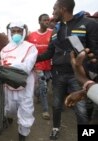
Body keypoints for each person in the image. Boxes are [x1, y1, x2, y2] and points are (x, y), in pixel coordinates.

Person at [37, 0, 98, 140]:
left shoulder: (89, 24)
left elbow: (95, 53)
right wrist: (31, 59)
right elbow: (49, 53)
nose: (52, 13)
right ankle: (55, 128)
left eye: (54, 9)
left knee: (81, 110)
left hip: (78, 77)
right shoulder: (56, 29)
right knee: (57, 105)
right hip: (57, 74)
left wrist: (86, 65)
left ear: (63, 9)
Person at [0, 21, 38, 141]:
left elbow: (27, 66)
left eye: (19, 31)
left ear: (24, 32)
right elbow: (2, 65)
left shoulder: (30, 47)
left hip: (25, 85)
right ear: (10, 33)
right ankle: (8, 120)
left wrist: (8, 67)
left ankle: (22, 136)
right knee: (9, 107)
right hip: (9, 85)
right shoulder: (4, 49)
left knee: (25, 110)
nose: (16, 33)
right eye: (13, 31)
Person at [27, 14, 52, 120]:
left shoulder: (52, 33)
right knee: (43, 86)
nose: (47, 21)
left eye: (48, 20)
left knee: (45, 86)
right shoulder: (31, 35)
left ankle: (37, 94)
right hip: (37, 66)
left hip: (49, 66)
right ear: (39, 21)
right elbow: (28, 51)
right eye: (44, 20)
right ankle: (45, 110)